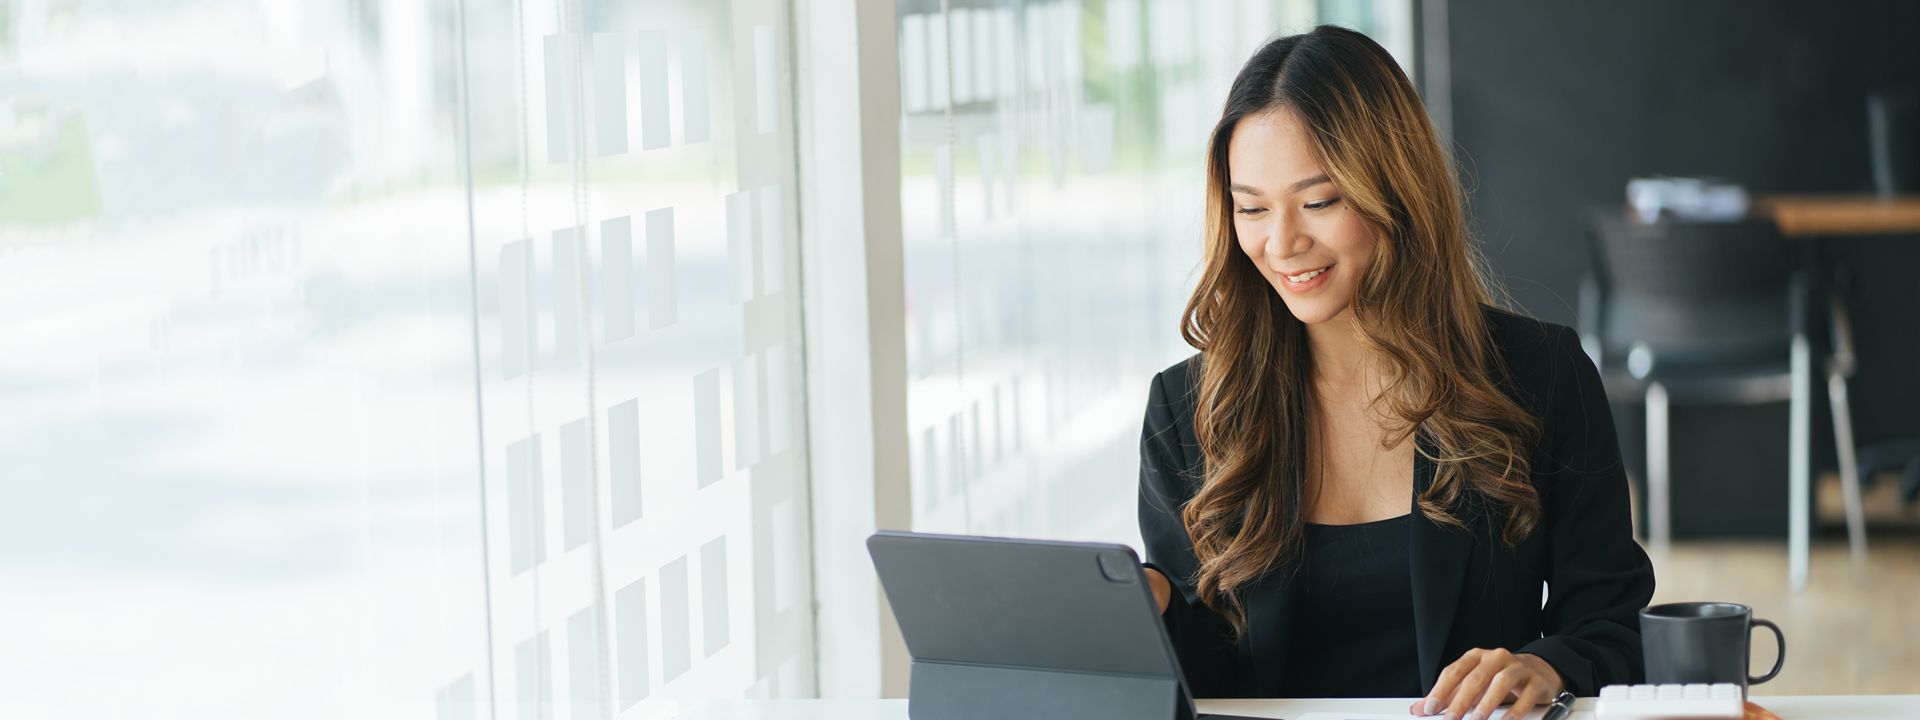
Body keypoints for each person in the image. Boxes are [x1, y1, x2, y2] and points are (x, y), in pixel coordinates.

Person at [1136, 25, 1654, 720]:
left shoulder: (1540, 377)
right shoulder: (1186, 410)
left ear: (1396, 191)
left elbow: (1616, 629)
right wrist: (1155, 607)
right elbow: (1209, 682)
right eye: (1252, 207)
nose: (1281, 243)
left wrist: (1545, 665)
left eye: (1319, 202)